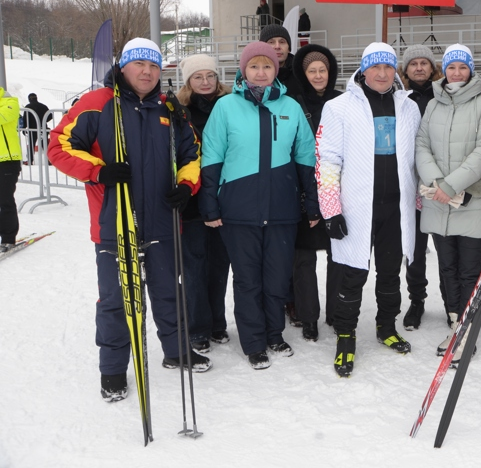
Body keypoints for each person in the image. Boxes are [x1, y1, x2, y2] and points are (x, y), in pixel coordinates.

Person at [48, 37, 209, 403]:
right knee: (117, 300)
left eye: (153, 66)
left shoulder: (169, 108)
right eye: (140, 65)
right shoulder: (97, 103)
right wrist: (99, 171)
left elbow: (192, 153)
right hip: (115, 223)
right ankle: (113, 369)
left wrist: (186, 186)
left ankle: (177, 350)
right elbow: (58, 146)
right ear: (123, 67)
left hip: (162, 221)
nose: (147, 72)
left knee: (169, 292)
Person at [199, 42, 318, 370]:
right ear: (243, 70)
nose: (261, 72)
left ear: (275, 70)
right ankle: (253, 342)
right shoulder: (226, 107)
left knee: (277, 278)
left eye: (267, 66)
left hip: (282, 209)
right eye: (254, 66)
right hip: (239, 209)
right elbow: (212, 155)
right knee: (248, 279)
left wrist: (312, 204)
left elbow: (306, 156)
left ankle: (274, 334)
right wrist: (209, 204)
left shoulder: (291, 107)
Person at [316, 42, 421, 377]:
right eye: (375, 67)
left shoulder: (408, 107)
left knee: (390, 272)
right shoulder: (338, 107)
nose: (382, 73)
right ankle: (345, 335)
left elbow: (416, 160)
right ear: (363, 70)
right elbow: (328, 161)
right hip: (357, 208)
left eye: (388, 67)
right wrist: (331, 209)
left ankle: (386, 326)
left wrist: (418, 202)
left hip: (396, 207)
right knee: (352, 275)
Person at [415, 44, 481, 360]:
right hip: (439, 199)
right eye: (452, 67)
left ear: (471, 70)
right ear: (444, 70)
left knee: (469, 269)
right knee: (447, 267)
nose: (457, 72)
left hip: (471, 199)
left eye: (463, 67)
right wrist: (437, 183)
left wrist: (451, 185)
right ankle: (454, 322)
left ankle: (466, 328)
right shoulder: (434, 103)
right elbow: (422, 144)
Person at [175, 54, 232, 354]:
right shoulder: (180, 111)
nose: (205, 81)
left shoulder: (230, 105)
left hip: (225, 198)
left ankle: (217, 322)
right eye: (198, 77)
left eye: (210, 75)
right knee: (194, 266)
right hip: (194, 200)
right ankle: (197, 327)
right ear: (189, 81)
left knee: (220, 265)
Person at [288, 44, 343, 342]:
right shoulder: (293, 103)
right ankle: (308, 317)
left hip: (338, 187)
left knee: (338, 255)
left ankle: (335, 312)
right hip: (304, 186)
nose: (318, 75)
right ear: (303, 73)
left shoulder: (343, 100)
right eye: (312, 70)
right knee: (304, 259)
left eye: (323, 70)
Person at [398, 44, 443, 330]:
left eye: (423, 63)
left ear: (432, 67)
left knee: (446, 248)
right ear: (405, 70)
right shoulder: (399, 97)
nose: (418, 68)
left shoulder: (443, 94)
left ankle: (452, 301)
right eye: (413, 63)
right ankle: (417, 300)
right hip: (410, 182)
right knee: (414, 249)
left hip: (440, 182)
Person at [0, 87, 22, 252]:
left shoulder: (10, 103)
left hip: (8, 161)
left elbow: (3, 117)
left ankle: (8, 238)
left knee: (5, 199)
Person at [260, 24, 301, 98]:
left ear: (289, 48)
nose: (277, 46)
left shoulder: (301, 73)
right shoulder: (254, 75)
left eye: (282, 42)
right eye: (271, 42)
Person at [23, 93, 51, 164]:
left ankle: (30, 160)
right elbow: (50, 116)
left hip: (32, 129)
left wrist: (24, 127)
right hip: (43, 128)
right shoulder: (43, 106)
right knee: (45, 145)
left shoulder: (28, 107)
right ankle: (50, 160)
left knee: (31, 144)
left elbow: (25, 119)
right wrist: (43, 121)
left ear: (29, 99)